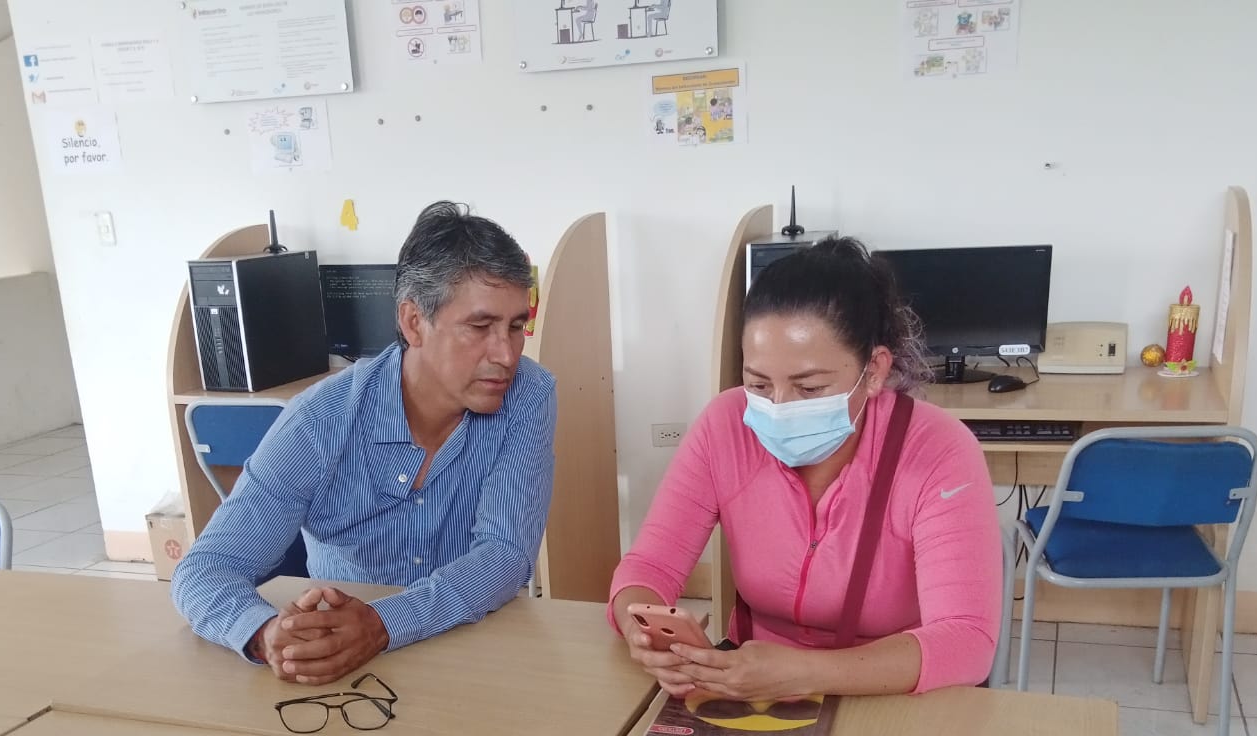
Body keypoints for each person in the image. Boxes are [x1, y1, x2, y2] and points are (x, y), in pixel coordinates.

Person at [172, 201, 556, 685]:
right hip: (345, 674)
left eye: (516, 326)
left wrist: (381, 624)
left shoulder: (528, 395)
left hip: (473, 650)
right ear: (413, 322)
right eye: (480, 327)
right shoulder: (320, 421)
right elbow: (205, 569)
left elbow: (504, 555)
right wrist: (266, 635)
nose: (506, 354)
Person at [609, 236, 1001, 700]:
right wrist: (641, 630)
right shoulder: (725, 425)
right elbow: (649, 566)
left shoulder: (938, 450)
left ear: (874, 371)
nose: (779, 408)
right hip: (751, 684)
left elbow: (966, 640)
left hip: (892, 692)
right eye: (758, 384)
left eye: (810, 388)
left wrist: (807, 673)